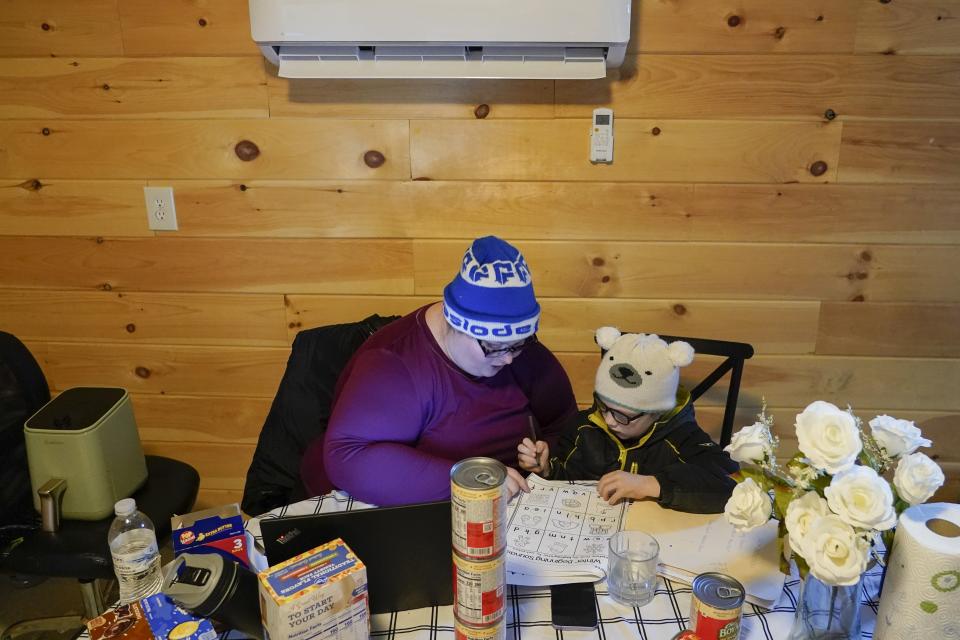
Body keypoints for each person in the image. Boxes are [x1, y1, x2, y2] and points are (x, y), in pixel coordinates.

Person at [300, 236, 578, 506]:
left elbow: (564, 424)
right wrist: (472, 481)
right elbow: (347, 457)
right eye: (494, 348)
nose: (507, 360)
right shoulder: (393, 364)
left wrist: (547, 454)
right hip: (415, 508)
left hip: (511, 508)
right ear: (455, 325)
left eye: (518, 345)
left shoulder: (523, 356)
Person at [517, 327, 738, 513]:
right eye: (604, 406)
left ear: (656, 412)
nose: (610, 421)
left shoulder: (682, 436)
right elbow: (567, 478)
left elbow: (731, 483)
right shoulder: (584, 427)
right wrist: (546, 469)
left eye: (624, 416)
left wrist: (653, 484)